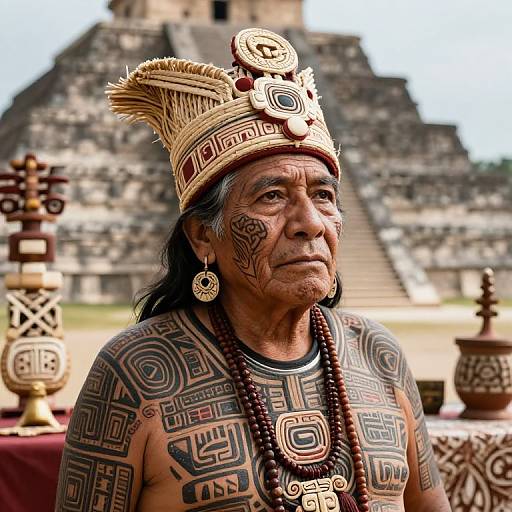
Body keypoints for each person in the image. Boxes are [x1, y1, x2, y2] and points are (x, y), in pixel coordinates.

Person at [55, 28, 450, 512]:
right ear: (203, 237)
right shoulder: (136, 373)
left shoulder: (379, 355)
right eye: (272, 196)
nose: (309, 223)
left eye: (323, 196)